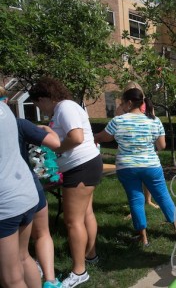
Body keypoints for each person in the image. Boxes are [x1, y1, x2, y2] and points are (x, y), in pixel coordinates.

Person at [29, 77, 103, 288]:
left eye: (38, 104)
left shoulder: (64, 107)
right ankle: (90, 256)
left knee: (72, 221)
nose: (40, 109)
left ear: (44, 98)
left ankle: (79, 271)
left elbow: (77, 138)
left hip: (81, 166)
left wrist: (58, 148)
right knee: (85, 214)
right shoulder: (64, 109)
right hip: (84, 165)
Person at [94, 88, 176, 247]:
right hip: (151, 165)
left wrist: (94, 137)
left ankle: (143, 238)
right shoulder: (154, 120)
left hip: (127, 167)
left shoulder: (118, 121)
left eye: (123, 102)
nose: (121, 105)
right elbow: (161, 146)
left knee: (135, 199)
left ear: (129, 102)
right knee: (162, 195)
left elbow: (104, 137)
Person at [16, 118, 63, 288]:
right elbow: (55, 143)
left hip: (8, 195)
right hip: (30, 187)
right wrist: (46, 129)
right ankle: (51, 281)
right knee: (42, 234)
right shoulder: (19, 123)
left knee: (19, 253)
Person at [0, 100, 42, 288]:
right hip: (24, 191)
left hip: (5, 203)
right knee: (24, 257)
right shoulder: (4, 108)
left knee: (12, 278)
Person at [116, 83, 160, 211]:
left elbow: (154, 119)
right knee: (133, 181)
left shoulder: (146, 105)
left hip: (146, 146)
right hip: (129, 149)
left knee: (147, 175)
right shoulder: (121, 107)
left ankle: (148, 200)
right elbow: (118, 123)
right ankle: (136, 205)